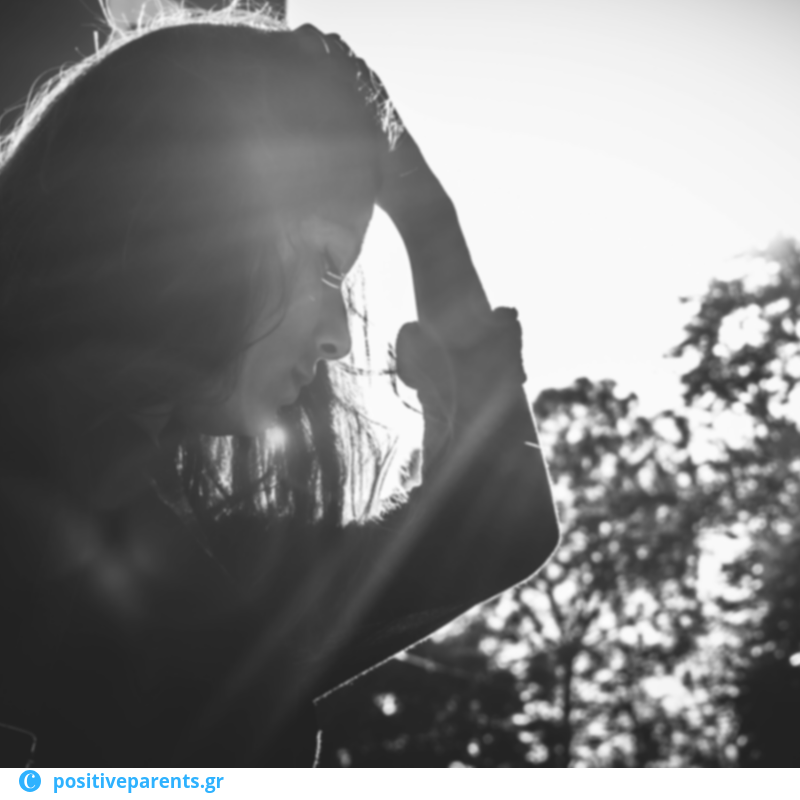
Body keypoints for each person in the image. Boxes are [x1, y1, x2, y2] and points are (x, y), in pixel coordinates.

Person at [0, 4, 560, 767]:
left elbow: (502, 533)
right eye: (328, 266)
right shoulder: (150, 570)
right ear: (196, 212)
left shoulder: (186, 560)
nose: (339, 338)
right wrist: (423, 213)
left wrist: (429, 213)